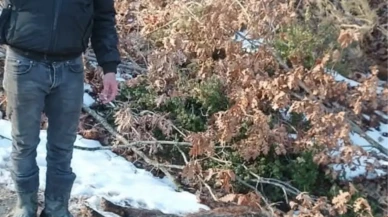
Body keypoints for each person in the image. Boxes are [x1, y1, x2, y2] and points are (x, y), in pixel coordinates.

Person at [0, 0, 121, 215]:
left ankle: (57, 209)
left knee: (63, 147)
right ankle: (24, 207)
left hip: (70, 68)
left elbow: (103, 18)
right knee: (24, 142)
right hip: (23, 63)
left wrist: (109, 67)